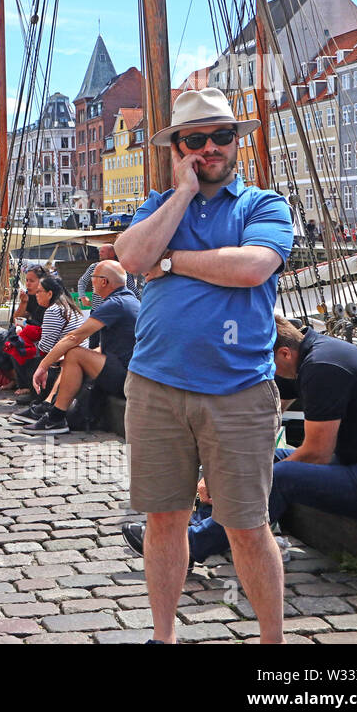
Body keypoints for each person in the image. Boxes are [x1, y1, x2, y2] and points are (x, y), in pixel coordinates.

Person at [114, 86, 292, 645]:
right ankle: (162, 639)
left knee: (245, 525)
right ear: (178, 148)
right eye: (196, 139)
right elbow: (132, 258)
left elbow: (251, 268)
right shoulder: (158, 206)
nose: (210, 147)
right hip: (156, 386)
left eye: (220, 136)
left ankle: (273, 646)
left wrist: (174, 260)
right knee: (163, 518)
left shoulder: (262, 205)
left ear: (236, 142)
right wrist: (181, 194)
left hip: (237, 391)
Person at [122, 316, 357, 568]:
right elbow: (266, 428)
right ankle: (212, 527)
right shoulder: (307, 355)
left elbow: (317, 454)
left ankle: (191, 548)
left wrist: (255, 474)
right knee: (260, 460)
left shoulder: (322, 367)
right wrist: (221, 473)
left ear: (283, 353)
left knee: (279, 477)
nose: (266, 372)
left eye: (266, 363)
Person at [17, 260, 139, 435]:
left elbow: (74, 337)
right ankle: (50, 406)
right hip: (129, 374)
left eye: (93, 277)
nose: (91, 281)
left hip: (125, 378)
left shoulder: (115, 304)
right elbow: (113, 349)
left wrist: (43, 365)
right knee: (72, 356)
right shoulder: (129, 301)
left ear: (104, 282)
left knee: (73, 352)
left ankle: (56, 418)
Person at [11, 274, 86, 404]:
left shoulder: (54, 310)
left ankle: (36, 393)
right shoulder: (70, 307)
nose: (36, 295)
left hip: (64, 361)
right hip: (77, 356)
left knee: (19, 349)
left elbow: (44, 347)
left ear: (50, 294)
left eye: (39, 291)